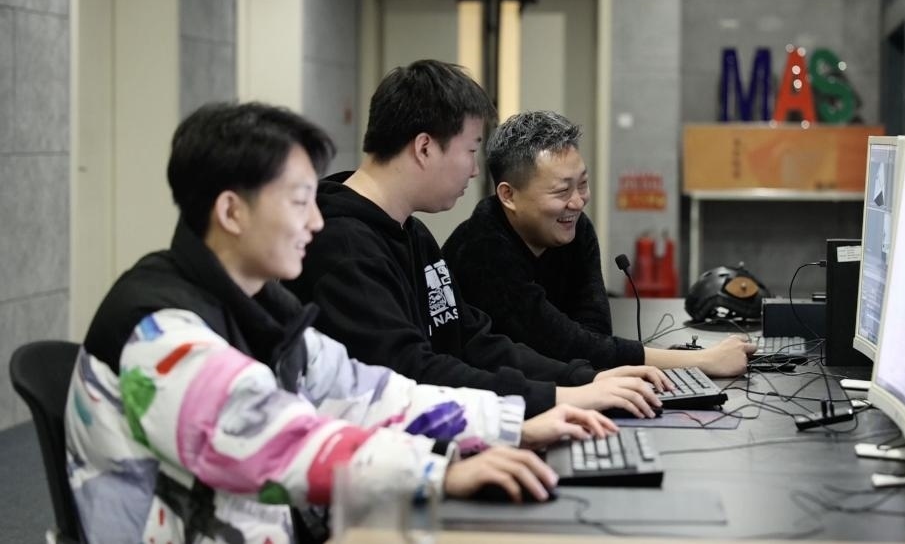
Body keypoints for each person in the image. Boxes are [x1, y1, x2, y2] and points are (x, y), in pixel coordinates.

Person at [65, 102, 615, 544]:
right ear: (232, 212)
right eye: (299, 201)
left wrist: (513, 423)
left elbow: (369, 392)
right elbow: (282, 446)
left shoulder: (257, 304)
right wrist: (440, 473)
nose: (315, 221)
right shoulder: (160, 333)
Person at [285, 60, 668, 421]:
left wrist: (584, 379)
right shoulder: (343, 247)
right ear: (424, 148)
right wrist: (558, 398)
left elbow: (471, 339)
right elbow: (412, 374)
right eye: (470, 150)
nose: (473, 170)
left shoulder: (412, 233)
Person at [443, 110, 755, 376]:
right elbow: (561, 345)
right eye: (562, 191)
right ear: (509, 195)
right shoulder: (481, 251)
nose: (578, 202)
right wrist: (701, 361)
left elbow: (594, 333)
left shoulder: (575, 229)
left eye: (582, 184)